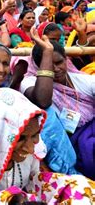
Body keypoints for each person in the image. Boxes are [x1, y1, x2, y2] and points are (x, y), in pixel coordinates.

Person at [0, 88, 94, 204]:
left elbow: (32, 182)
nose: (30, 148)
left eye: (34, 136)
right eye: (20, 138)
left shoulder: (31, 149)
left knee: (80, 186)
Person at [20, 33, 94, 179]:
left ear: (66, 60)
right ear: (38, 65)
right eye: (48, 63)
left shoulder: (81, 79)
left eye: (59, 62)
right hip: (63, 143)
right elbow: (43, 100)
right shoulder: (29, 82)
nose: (56, 69)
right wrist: (46, 53)